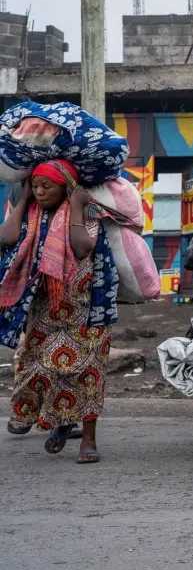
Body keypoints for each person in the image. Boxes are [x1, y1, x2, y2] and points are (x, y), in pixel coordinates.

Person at [1, 160, 117, 464]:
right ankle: (63, 423)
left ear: (66, 187)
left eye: (46, 186)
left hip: (86, 309)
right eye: (35, 186)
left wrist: (76, 207)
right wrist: (22, 199)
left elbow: (82, 248)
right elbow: (6, 237)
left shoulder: (89, 211)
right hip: (44, 310)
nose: (40, 192)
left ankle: (88, 439)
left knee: (86, 373)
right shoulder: (29, 212)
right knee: (42, 371)